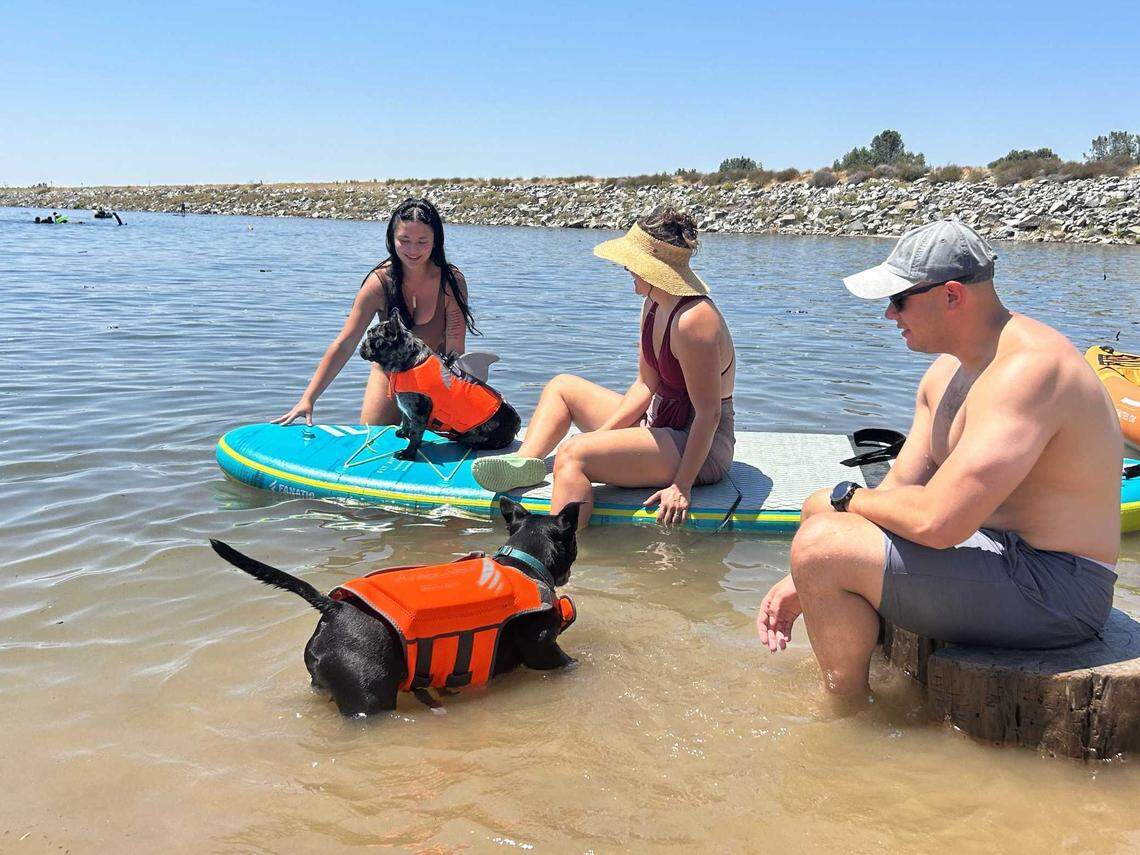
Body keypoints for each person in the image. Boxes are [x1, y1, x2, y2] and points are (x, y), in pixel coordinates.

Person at [758, 219, 1121, 702]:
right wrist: (800, 573)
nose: (889, 315)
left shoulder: (1030, 371)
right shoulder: (946, 372)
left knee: (825, 540)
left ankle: (845, 715)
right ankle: (862, 675)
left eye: (899, 300)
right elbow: (898, 490)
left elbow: (938, 524)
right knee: (818, 520)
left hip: (1058, 588)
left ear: (952, 295)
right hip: (996, 552)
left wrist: (843, 501)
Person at [472, 207, 736, 529]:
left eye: (633, 263)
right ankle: (525, 460)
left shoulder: (695, 320)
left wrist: (681, 485)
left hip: (700, 444)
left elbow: (709, 415)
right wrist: (604, 436)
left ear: (653, 268)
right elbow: (644, 385)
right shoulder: (653, 303)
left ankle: (560, 558)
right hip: (659, 420)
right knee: (562, 387)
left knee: (573, 457)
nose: (626, 268)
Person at [275, 198, 477, 426]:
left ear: (435, 241)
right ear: (392, 239)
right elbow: (345, 343)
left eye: (422, 241)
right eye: (404, 240)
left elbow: (455, 349)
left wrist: (457, 397)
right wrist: (308, 398)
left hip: (436, 376)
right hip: (389, 375)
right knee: (373, 440)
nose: (413, 250)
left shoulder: (451, 282)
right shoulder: (378, 284)